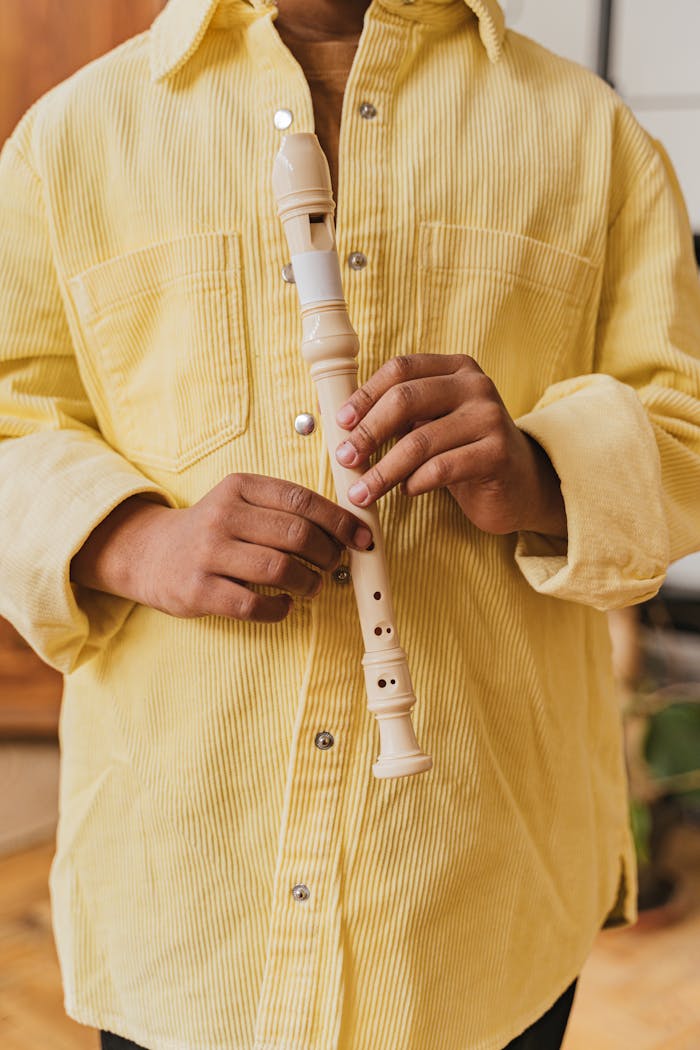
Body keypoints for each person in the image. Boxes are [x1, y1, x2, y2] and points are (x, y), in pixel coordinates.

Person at [1, 0, 699, 1047]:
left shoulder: (586, 132)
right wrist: (135, 541)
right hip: (188, 897)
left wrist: (541, 469)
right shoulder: (71, 138)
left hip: (474, 893)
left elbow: (683, 425)